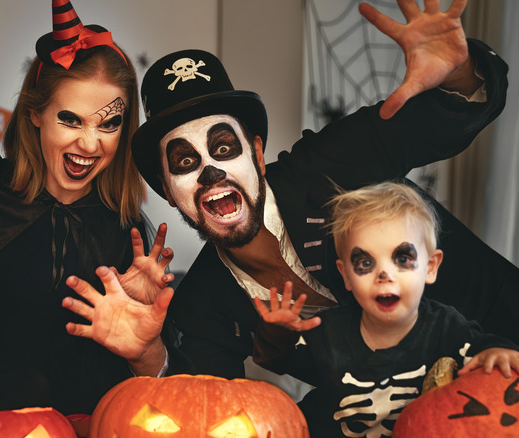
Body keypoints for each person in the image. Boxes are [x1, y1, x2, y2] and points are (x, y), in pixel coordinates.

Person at [63, 0, 517, 388]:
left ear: (257, 154)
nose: (210, 172)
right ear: (167, 191)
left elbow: (428, 126)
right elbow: (204, 406)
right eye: (184, 163)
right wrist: (147, 352)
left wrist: (458, 76)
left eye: (224, 147)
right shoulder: (204, 305)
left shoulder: (329, 166)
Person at [0, 0, 174, 416]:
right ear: (35, 114)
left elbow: (156, 381)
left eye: (108, 124)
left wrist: (143, 336)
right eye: (71, 120)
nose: (90, 144)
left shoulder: (125, 230)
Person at [252, 181, 519, 436]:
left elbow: (481, 346)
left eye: (402, 258)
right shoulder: (328, 330)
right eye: (365, 263)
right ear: (346, 276)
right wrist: (278, 333)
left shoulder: (446, 326)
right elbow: (280, 361)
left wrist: (497, 349)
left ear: (430, 267)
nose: (384, 274)